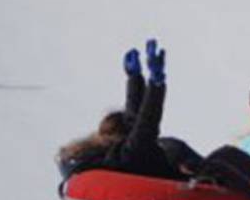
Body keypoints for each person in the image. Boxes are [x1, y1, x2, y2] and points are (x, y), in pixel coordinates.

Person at [56, 39, 185, 182]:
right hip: (167, 186)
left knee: (170, 145)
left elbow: (136, 121)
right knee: (174, 147)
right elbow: (146, 122)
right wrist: (156, 84)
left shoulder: (92, 155)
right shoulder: (130, 153)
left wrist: (135, 79)